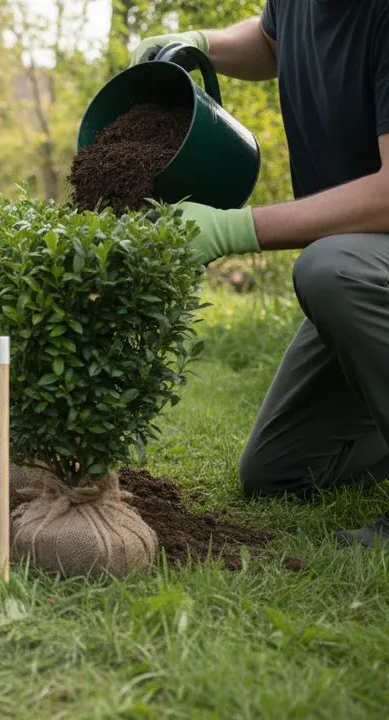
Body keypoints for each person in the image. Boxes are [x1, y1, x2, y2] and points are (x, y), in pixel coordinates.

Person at [129, 5, 389, 546]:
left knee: (329, 270)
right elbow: (271, 41)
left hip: (361, 267)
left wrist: (235, 229)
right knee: (279, 471)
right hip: (368, 267)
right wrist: (201, 41)